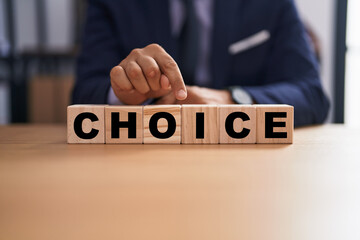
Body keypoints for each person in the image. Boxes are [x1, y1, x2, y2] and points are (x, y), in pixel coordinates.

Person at [72, 0, 330, 127]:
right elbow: (84, 92)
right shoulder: (112, 4)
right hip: (141, 164)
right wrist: (125, 96)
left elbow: (312, 95)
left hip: (249, 169)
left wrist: (233, 100)